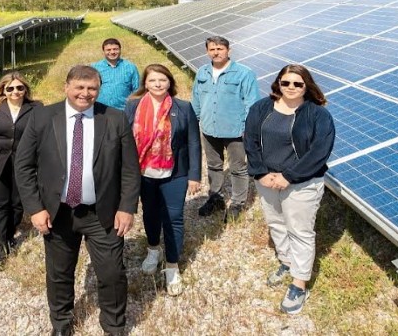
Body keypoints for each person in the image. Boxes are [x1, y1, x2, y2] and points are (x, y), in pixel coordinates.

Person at [14, 65, 141, 336]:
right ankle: (61, 325)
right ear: (66, 87)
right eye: (79, 87)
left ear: (99, 89)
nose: (85, 93)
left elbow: (130, 168)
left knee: (111, 274)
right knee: (59, 274)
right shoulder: (43, 117)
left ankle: (114, 326)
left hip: (102, 214)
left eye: (92, 88)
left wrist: (127, 207)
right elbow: (23, 166)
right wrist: (35, 208)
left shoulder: (115, 119)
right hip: (57, 213)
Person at [244, 64, 335, 315]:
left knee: (300, 231)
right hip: (267, 180)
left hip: (302, 183)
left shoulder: (317, 114)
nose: (291, 88)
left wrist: (290, 176)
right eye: (286, 83)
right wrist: (261, 172)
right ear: (278, 84)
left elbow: (320, 151)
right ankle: (286, 262)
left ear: (307, 86)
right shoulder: (261, 108)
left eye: (298, 84)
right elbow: (250, 140)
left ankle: (299, 282)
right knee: (275, 224)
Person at [124, 64, 201, 296]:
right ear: (145, 84)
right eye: (152, 80)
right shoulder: (132, 107)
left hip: (174, 173)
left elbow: (193, 143)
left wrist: (195, 175)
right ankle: (153, 249)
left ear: (170, 83)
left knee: (174, 218)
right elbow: (125, 140)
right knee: (150, 213)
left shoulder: (183, 108)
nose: (158, 84)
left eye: (162, 80)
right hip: (143, 173)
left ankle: (172, 266)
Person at [0, 71, 42, 267]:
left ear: (25, 89)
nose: (15, 92)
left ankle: (10, 233)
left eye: (20, 88)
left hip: (23, 163)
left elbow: (42, 136)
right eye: (10, 88)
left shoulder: (36, 108)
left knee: (17, 203)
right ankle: (1, 245)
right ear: (3, 90)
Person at [191, 36, 259, 221]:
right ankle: (216, 198)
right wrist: (194, 121)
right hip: (208, 128)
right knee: (213, 165)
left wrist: (248, 128)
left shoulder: (244, 73)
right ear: (207, 51)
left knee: (238, 168)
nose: (216, 52)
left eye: (220, 48)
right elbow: (196, 99)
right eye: (212, 49)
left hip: (235, 130)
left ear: (228, 50)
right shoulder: (202, 72)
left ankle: (238, 203)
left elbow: (252, 103)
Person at [92, 38, 140, 110]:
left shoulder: (130, 67)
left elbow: (137, 90)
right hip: (100, 111)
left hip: (123, 111)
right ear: (103, 51)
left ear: (120, 49)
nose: (112, 52)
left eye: (115, 49)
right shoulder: (95, 68)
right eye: (108, 50)